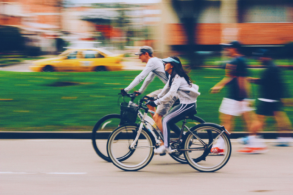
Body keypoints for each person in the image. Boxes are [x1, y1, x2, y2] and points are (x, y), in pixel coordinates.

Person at [210, 41, 267, 154]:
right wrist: (219, 86)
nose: (227, 50)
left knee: (228, 120)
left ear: (235, 49)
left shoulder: (237, 61)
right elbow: (234, 77)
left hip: (236, 97)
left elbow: (240, 79)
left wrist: (242, 97)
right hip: (239, 97)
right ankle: (254, 144)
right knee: (243, 120)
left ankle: (221, 146)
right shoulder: (240, 60)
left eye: (229, 48)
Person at [121, 46, 180, 134]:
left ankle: (163, 139)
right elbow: (149, 79)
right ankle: (157, 125)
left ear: (146, 54)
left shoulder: (152, 61)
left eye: (140, 55)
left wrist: (126, 90)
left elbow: (141, 77)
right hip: (171, 89)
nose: (138, 57)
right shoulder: (155, 62)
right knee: (148, 99)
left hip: (174, 91)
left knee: (159, 116)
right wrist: (141, 91)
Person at [147, 56, 200, 154]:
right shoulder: (172, 76)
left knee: (166, 120)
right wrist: (156, 98)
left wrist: (156, 102)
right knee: (169, 121)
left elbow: (170, 95)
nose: (164, 64)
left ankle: (166, 147)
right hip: (185, 104)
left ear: (172, 65)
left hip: (188, 105)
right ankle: (183, 139)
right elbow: (165, 89)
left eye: (166, 63)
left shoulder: (178, 77)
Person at [248, 49, 293, 146]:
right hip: (273, 98)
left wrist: (253, 80)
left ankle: (252, 138)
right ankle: (284, 138)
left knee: (258, 118)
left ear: (266, 57)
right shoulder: (272, 66)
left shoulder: (271, 68)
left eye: (260, 57)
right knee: (280, 117)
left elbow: (277, 83)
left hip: (268, 98)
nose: (259, 59)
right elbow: (270, 81)